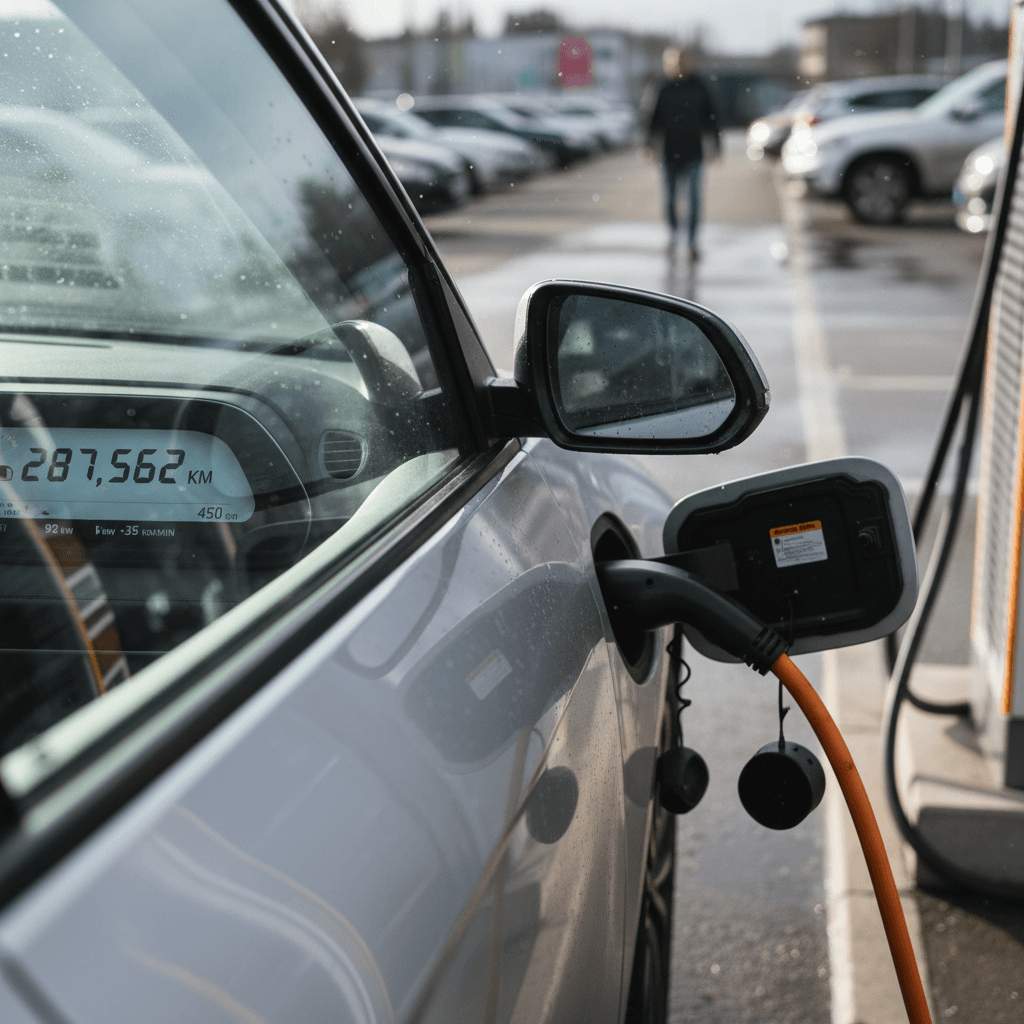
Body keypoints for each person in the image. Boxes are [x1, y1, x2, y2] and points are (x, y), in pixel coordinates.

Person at [647, 47, 721, 261]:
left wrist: (716, 145)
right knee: (670, 201)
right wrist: (648, 145)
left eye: (683, 61)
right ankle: (672, 236)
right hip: (668, 153)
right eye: (675, 61)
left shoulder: (699, 86)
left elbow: (712, 117)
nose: (679, 65)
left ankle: (691, 243)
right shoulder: (662, 86)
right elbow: (652, 117)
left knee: (694, 201)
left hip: (694, 153)